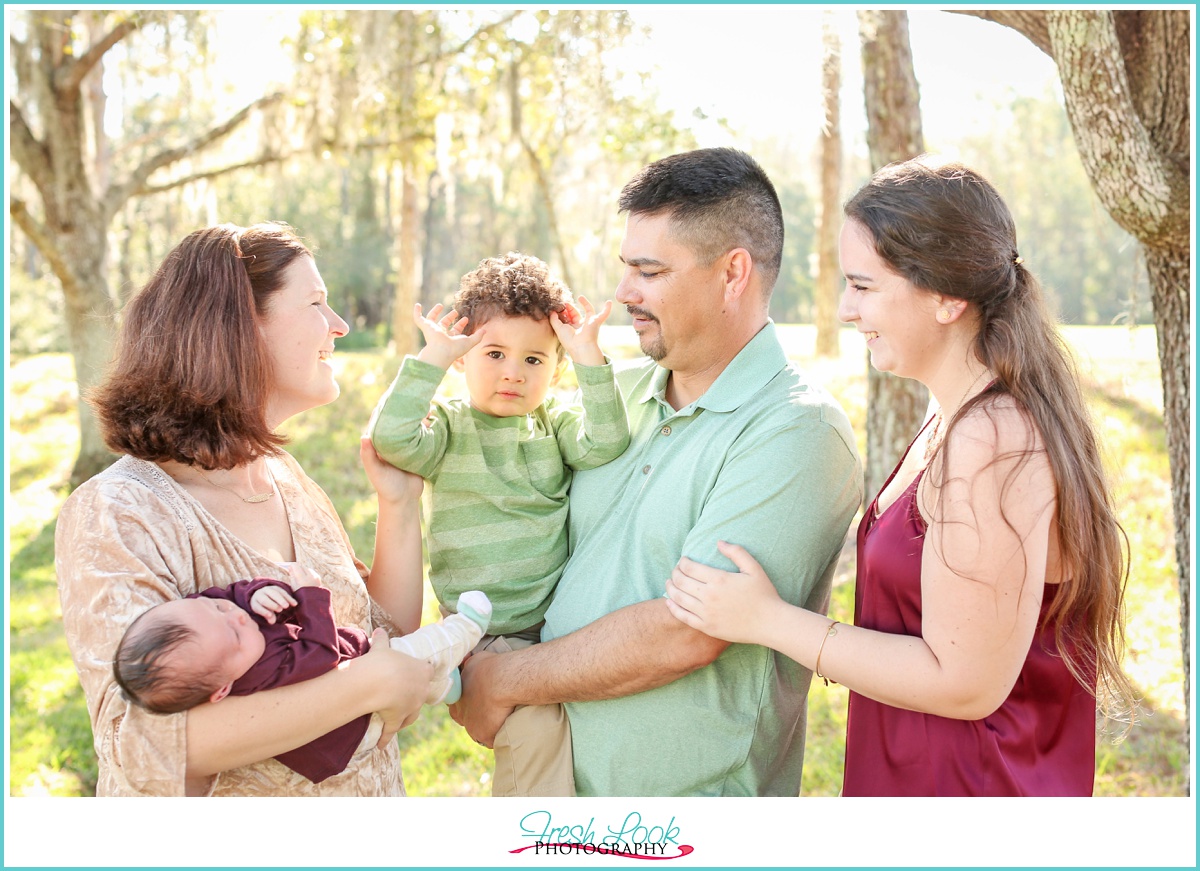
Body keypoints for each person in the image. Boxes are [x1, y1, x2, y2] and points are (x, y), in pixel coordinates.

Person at [665, 157, 1135, 796]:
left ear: (945, 297)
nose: (846, 310)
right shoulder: (957, 418)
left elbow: (964, 681)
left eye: (863, 286)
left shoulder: (993, 438)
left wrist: (768, 621)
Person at [451, 148, 863, 796]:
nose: (624, 293)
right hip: (546, 788)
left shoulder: (796, 431)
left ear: (732, 274)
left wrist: (501, 680)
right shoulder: (610, 396)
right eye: (626, 269)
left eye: (649, 271)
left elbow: (686, 631)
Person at [55, 221, 434, 797]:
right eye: (316, 303)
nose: (340, 326)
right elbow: (140, 743)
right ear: (238, 329)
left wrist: (400, 503)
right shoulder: (119, 509)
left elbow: (383, 637)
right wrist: (363, 687)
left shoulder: (286, 480)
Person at [368, 251, 630, 796]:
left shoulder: (553, 425)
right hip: (482, 630)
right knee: (536, 731)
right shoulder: (447, 427)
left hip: (552, 627)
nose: (513, 371)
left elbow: (606, 441)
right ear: (464, 358)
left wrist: (588, 357)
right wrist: (431, 359)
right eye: (494, 353)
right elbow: (393, 439)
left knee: (576, 729)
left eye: (535, 360)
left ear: (555, 369)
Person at [112, 565, 491, 784]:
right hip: (352, 729)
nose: (237, 616)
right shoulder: (263, 673)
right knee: (410, 654)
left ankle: (444, 686)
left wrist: (253, 595)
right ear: (222, 689)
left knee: (408, 671)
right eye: (233, 632)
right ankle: (465, 629)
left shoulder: (218, 643)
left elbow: (227, 594)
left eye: (216, 608)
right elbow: (321, 654)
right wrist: (311, 594)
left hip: (354, 690)